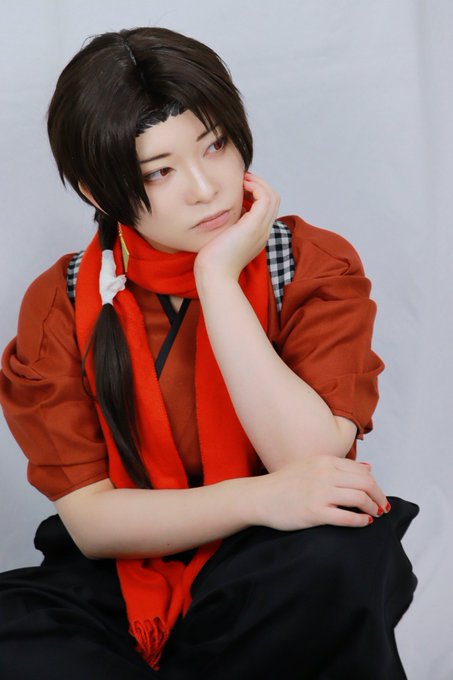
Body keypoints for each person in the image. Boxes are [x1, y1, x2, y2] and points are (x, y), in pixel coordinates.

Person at [0, 26, 418, 679]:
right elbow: (92, 522)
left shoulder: (306, 264)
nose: (204, 187)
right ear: (95, 191)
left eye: (215, 144)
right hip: (125, 571)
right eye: (159, 171)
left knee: (341, 560)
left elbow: (308, 461)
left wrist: (218, 280)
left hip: (272, 557)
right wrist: (258, 498)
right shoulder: (64, 300)